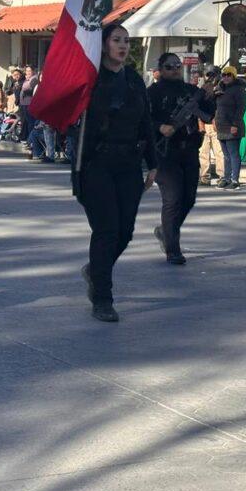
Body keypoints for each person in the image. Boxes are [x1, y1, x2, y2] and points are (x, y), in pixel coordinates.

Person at [74, 24, 156, 322]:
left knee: (125, 232)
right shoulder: (90, 78)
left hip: (129, 164)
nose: (122, 46)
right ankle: (103, 297)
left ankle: (96, 269)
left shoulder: (134, 79)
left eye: (126, 41)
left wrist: (153, 162)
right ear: (104, 44)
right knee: (107, 230)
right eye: (116, 40)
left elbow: (146, 121)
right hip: (95, 163)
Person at [148, 52, 215, 264]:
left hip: (189, 150)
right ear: (160, 70)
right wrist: (160, 126)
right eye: (169, 66)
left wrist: (209, 96)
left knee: (189, 198)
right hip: (165, 152)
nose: (175, 69)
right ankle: (173, 249)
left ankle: (166, 231)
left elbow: (208, 114)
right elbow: (141, 119)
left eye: (177, 65)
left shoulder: (190, 90)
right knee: (173, 199)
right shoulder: (153, 92)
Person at [213, 66, 246, 190]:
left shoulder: (239, 89)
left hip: (232, 125)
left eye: (229, 75)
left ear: (234, 76)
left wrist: (235, 125)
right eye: (224, 75)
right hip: (221, 125)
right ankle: (226, 178)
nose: (226, 77)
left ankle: (235, 180)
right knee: (225, 155)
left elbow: (241, 108)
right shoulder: (220, 88)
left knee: (233, 154)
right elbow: (216, 107)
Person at [198, 68, 224, 184]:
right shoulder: (203, 89)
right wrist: (200, 123)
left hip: (216, 124)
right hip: (205, 123)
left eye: (213, 75)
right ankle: (204, 177)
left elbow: (221, 106)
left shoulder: (222, 87)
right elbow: (197, 107)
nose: (210, 77)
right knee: (204, 152)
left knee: (219, 152)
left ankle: (222, 176)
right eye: (208, 75)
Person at [19, 66, 39, 140]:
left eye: (29, 71)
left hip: (29, 103)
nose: (27, 72)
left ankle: (31, 140)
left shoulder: (34, 79)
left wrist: (26, 81)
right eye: (26, 71)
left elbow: (26, 88)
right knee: (26, 122)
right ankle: (27, 138)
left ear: (33, 71)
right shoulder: (28, 79)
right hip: (24, 103)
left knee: (31, 122)